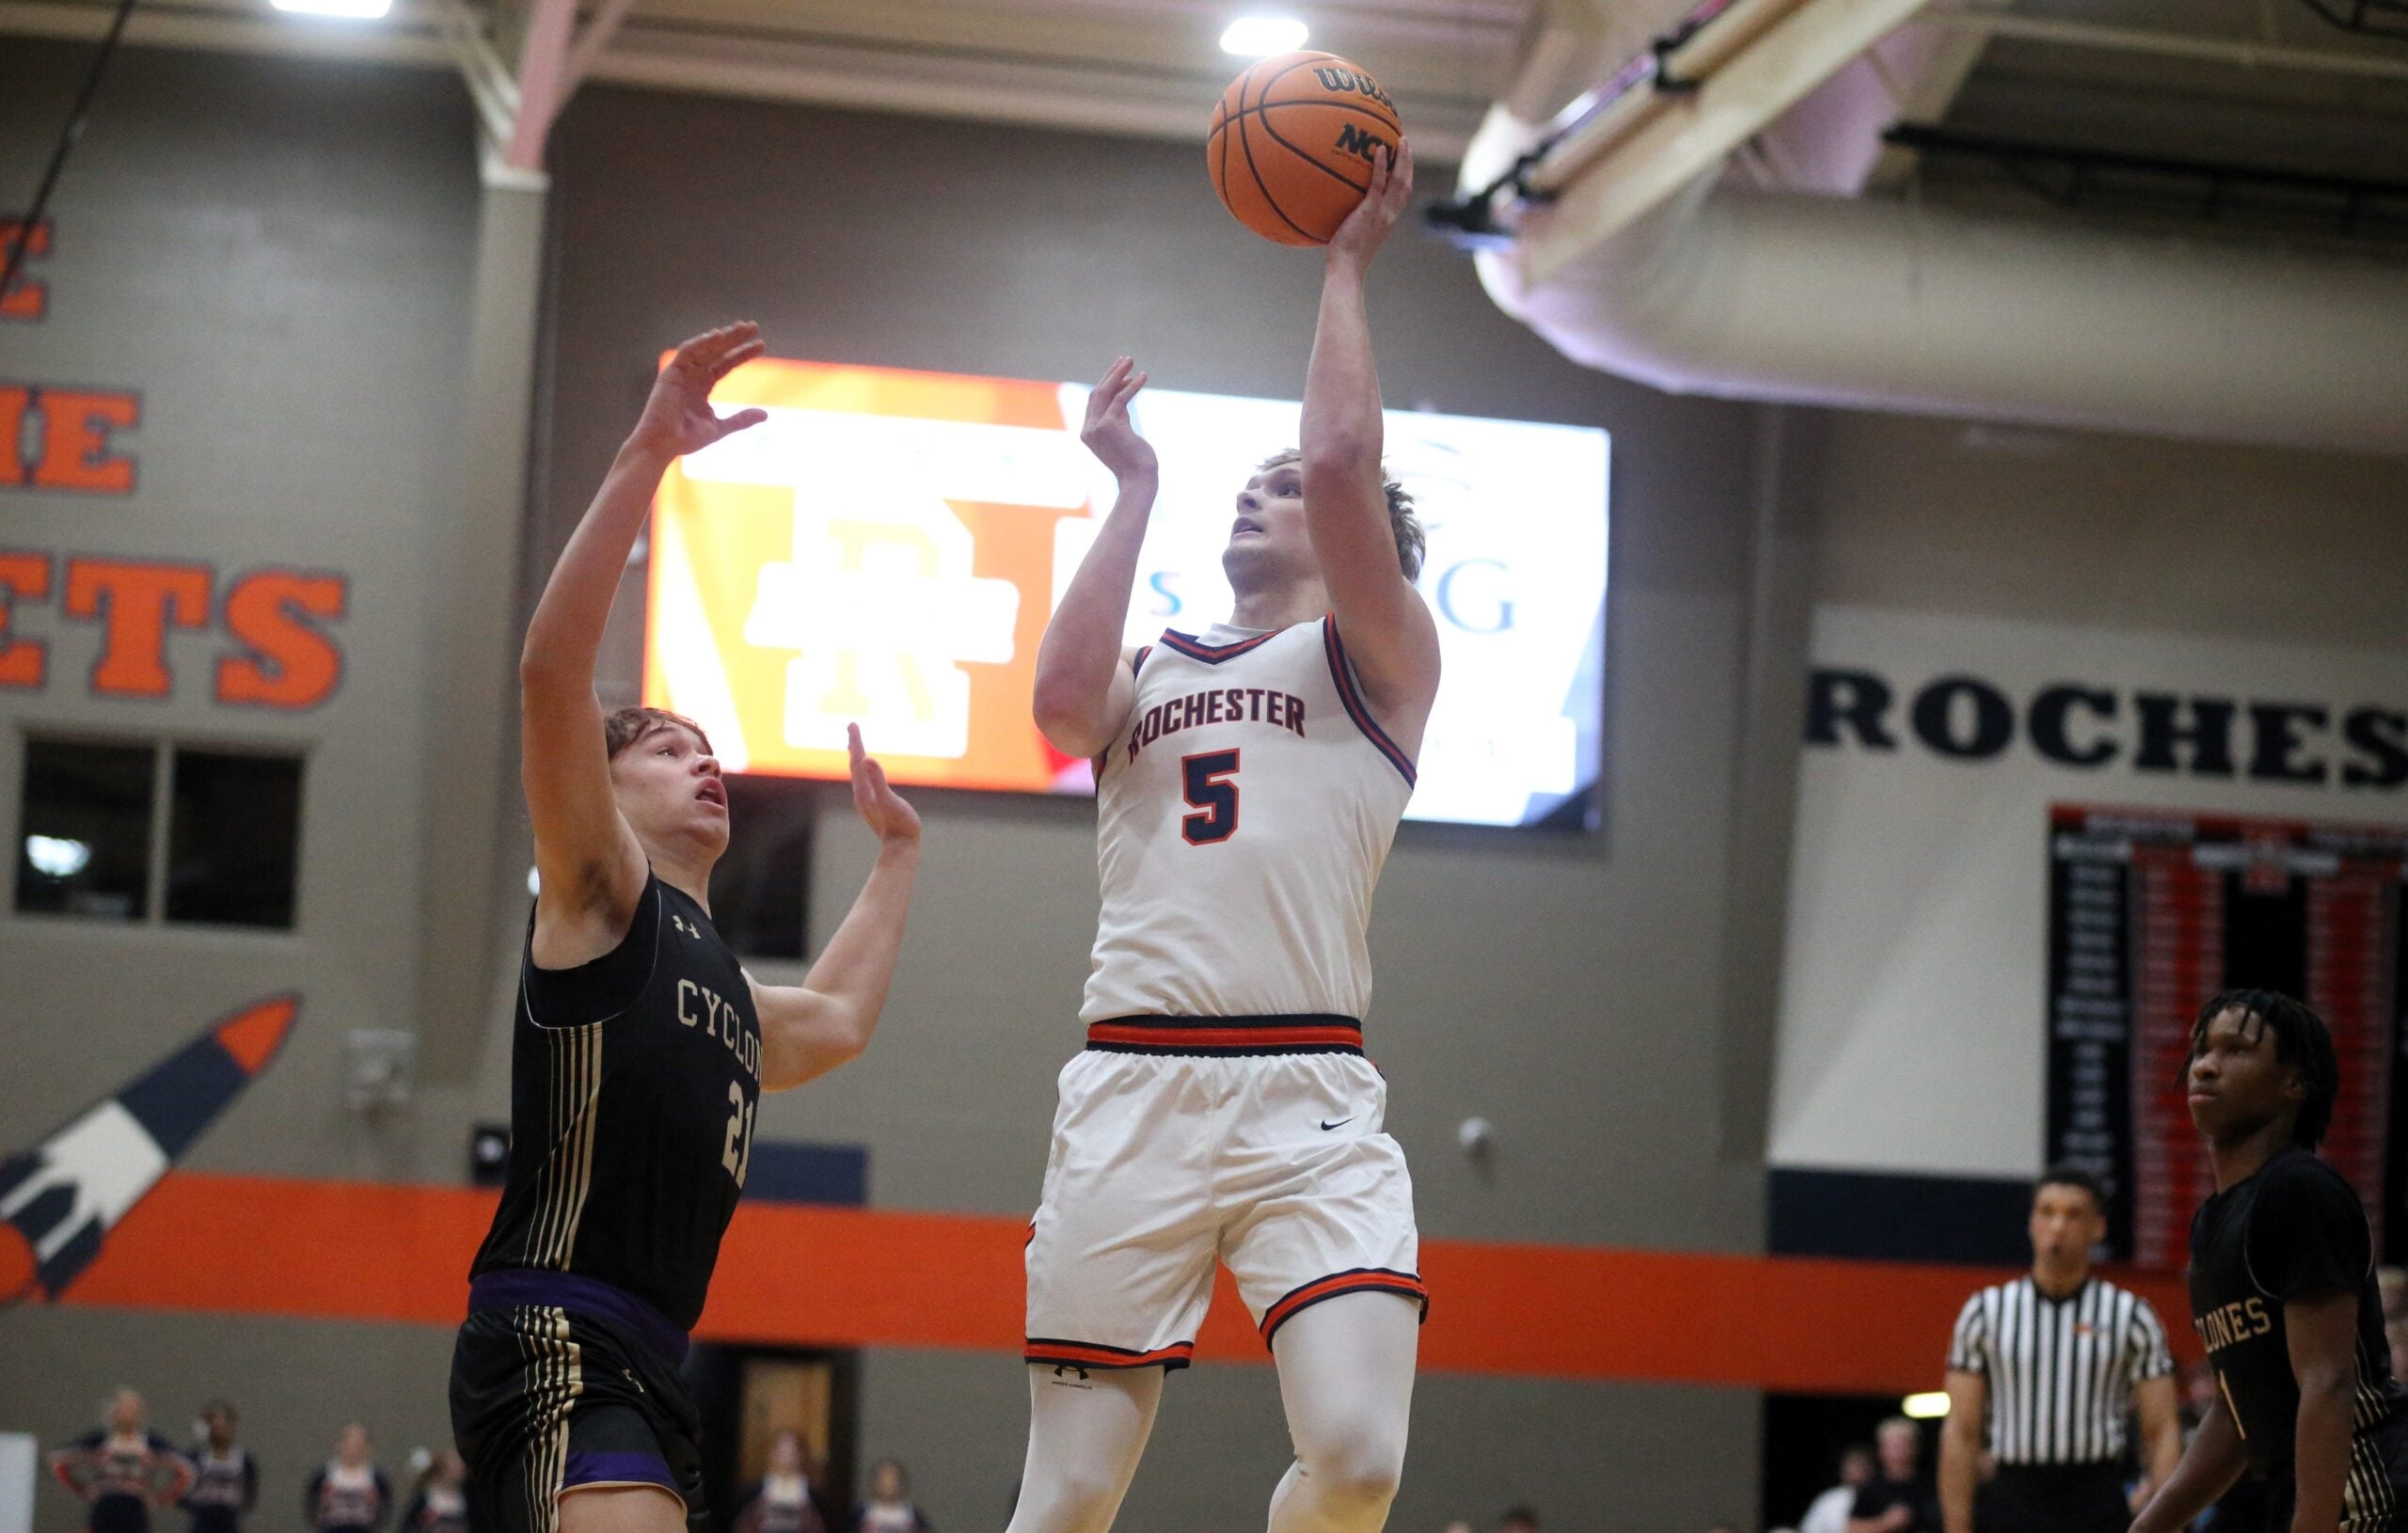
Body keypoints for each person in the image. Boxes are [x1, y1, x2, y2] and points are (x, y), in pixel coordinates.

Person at [1009, 139, 1438, 1533]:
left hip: (1307, 1092)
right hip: (1134, 1081)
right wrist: (1129, 489)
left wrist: (1345, 261)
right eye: (1241, 486)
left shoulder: (1380, 663)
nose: (1266, 490)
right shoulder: (1155, 666)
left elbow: (1332, 455)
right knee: (1068, 1499)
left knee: (1361, 1457)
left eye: (1286, 491)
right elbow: (1060, 706)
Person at [448, 322, 926, 1533]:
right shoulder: (601, 890)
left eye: (709, 752)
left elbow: (840, 1020)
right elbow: (554, 672)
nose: (703, 764)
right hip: (555, 1321)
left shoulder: (716, 973)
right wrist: (644, 459)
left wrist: (901, 855)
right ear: (603, 791)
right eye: (668, 748)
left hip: (654, 1360)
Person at [2131, 989, 2408, 1533]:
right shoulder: (2213, 1223)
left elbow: (2328, 1382)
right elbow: (2239, 1412)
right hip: (2313, 1498)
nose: (2206, 1065)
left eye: (2236, 1050)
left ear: (2293, 1083)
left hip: (2372, 1487)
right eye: (2202, 1050)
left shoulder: (2299, 1189)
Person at [1938, 1165, 2180, 1533]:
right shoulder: (1984, 1312)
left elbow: (2161, 1430)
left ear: (2097, 1228)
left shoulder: (2132, 1315)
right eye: (2047, 1212)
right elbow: (1960, 1431)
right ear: (2031, 1222)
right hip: (2013, 1499)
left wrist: (2169, 1526)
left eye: (2073, 1214)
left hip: (2096, 1497)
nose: (2057, 1226)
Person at [50, 1390, 195, 1533]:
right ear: (113, 1412)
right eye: (124, 1409)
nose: (128, 1414)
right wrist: (82, 1489)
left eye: (133, 1410)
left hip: (135, 1508)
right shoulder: (100, 1439)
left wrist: (159, 1499)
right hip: (105, 1507)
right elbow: (59, 1461)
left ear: (140, 1414)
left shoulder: (150, 1442)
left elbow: (186, 1470)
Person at [1847, 1418, 1940, 1533]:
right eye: (1893, 1446)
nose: (1898, 1452)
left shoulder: (1931, 1486)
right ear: (1881, 1451)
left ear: (1916, 1448)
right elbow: (1851, 1529)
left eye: (1904, 1445)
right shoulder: (1870, 1488)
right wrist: (1886, 1523)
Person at [181, 1400, 256, 1533]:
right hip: (202, 1520)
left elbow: (250, 1492)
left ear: (233, 1427)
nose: (220, 1428)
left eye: (225, 1424)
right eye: (215, 1423)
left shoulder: (244, 1460)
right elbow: (181, 1491)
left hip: (230, 1521)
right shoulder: (195, 1458)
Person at [304, 1425, 390, 1533]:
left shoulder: (376, 1478)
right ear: (340, 1445)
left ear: (367, 1448)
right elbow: (311, 1502)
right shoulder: (325, 1475)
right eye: (349, 1443)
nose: (353, 1449)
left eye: (358, 1444)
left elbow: (386, 1506)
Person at [734, 1432, 822, 1533]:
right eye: (782, 1452)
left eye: (792, 1453)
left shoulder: (814, 1493)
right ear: (773, 1454)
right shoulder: (753, 1491)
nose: (787, 1458)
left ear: (800, 1456)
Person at [1800, 1446, 1874, 1533]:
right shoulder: (1829, 1499)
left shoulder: (1877, 1496)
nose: (1855, 1470)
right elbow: (1808, 1529)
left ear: (1870, 1468)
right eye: (1851, 1464)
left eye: (1861, 1464)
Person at [396, 1452, 471, 1533]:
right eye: (454, 1469)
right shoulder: (425, 1497)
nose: (460, 1473)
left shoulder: (465, 1498)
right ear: (442, 1471)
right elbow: (409, 1525)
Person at [848, 1462, 930, 1533]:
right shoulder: (861, 1515)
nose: (888, 1484)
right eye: (883, 1478)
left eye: (893, 1479)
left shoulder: (914, 1517)